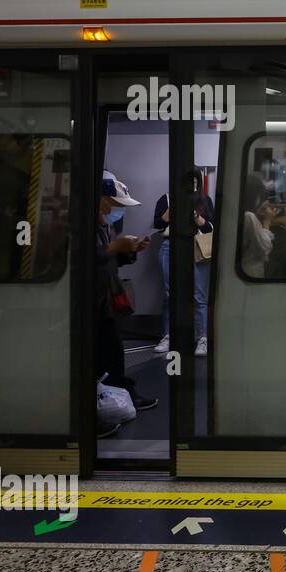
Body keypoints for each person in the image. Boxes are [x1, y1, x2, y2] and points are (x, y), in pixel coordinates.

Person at [96, 172, 156, 427]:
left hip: (104, 300)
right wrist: (115, 247)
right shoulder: (80, 223)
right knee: (107, 353)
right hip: (92, 302)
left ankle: (121, 394)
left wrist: (129, 251)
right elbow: (85, 259)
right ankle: (114, 397)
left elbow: (108, 260)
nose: (115, 210)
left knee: (112, 352)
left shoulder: (103, 225)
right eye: (113, 204)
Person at [153, 171, 215, 357]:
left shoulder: (205, 200)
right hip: (170, 245)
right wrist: (176, 206)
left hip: (197, 246)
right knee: (169, 292)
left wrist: (196, 216)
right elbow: (157, 224)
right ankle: (168, 335)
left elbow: (210, 227)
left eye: (194, 182)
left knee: (199, 295)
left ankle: (202, 338)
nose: (190, 186)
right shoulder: (166, 199)